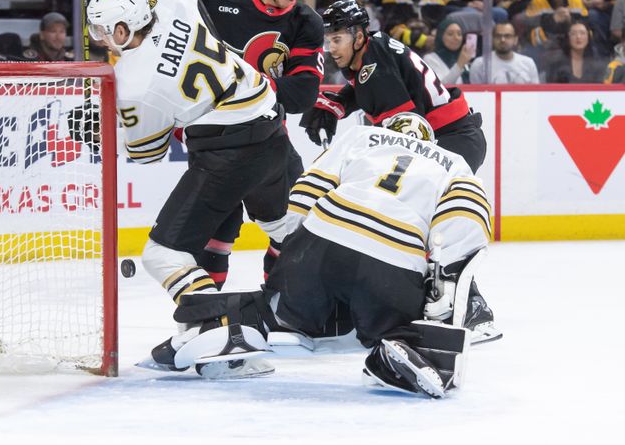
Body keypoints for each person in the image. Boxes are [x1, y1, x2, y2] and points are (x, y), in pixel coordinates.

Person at [145, 112, 488, 394]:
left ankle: (225, 323)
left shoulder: (362, 135)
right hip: (393, 259)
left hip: (321, 239)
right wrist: (440, 287)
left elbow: (308, 190)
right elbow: (465, 226)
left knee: (278, 310)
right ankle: (399, 345)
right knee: (396, 323)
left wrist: (294, 257)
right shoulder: (453, 162)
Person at [66, 0, 292, 314]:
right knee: (282, 228)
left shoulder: (133, 82)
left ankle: (218, 328)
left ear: (122, 30)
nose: (101, 38)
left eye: (104, 30)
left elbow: (147, 154)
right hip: (272, 129)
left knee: (163, 254)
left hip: (229, 152)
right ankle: (328, 304)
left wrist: (103, 134)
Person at [300, 0, 498, 343]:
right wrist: (335, 102)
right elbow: (370, 84)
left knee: (415, 221)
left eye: (338, 39)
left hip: (449, 141)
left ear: (359, 35)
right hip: (452, 135)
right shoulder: (374, 52)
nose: (331, 48)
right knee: (411, 221)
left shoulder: (371, 62)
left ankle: (471, 307)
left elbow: (404, 131)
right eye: (328, 40)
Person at [193, 0, 325, 288]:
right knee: (214, 235)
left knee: (296, 230)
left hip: (267, 139)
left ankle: (279, 305)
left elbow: (301, 96)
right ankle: (206, 318)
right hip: (214, 137)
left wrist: (240, 87)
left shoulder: (305, 22)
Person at [522, 0, 588, 53]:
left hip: (571, 43)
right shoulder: (537, 2)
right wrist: (552, 20)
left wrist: (570, 21)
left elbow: (587, 27)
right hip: (545, 46)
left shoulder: (576, 1)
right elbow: (530, 31)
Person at [469, 22, 540, 83]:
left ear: (515, 39)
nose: (502, 40)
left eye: (507, 36)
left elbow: (535, 93)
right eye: (498, 36)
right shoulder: (480, 64)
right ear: (492, 39)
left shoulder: (528, 63)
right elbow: (477, 95)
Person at [544, 20, 608, 82]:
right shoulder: (556, 63)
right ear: (568, 37)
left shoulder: (597, 62)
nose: (578, 37)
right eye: (573, 34)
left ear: (588, 37)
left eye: (582, 33)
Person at [423, 20, 475, 84]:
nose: (456, 38)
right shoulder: (430, 59)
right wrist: (459, 65)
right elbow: (440, 87)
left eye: (459, 34)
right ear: (440, 36)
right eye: (450, 34)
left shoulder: (465, 57)